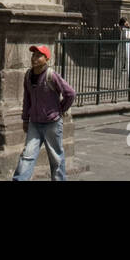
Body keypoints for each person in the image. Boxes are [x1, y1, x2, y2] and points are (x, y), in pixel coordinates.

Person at [14, 45, 76, 180]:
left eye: (38, 55)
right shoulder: (28, 75)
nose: (34, 58)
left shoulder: (51, 75)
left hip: (52, 123)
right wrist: (25, 118)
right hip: (34, 123)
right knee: (27, 155)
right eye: (33, 55)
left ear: (46, 59)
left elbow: (70, 93)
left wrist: (60, 109)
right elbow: (27, 99)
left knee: (56, 157)